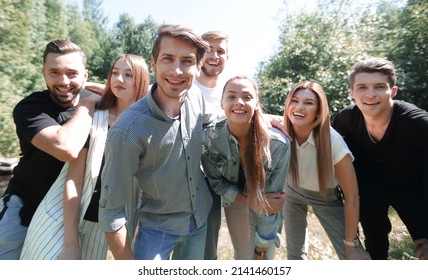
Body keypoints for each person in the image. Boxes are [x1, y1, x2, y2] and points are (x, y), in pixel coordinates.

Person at [98, 24, 220, 260]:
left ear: (198, 67)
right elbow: (111, 213)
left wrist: (269, 120)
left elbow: (219, 122)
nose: (176, 71)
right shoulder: (128, 131)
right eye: (168, 59)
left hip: (200, 219)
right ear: (153, 63)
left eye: (187, 61)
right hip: (157, 232)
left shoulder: (195, 96)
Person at [19, 54, 149, 260]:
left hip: (110, 224)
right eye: (114, 73)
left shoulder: (148, 125)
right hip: (64, 217)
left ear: (142, 79)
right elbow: (74, 179)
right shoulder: (94, 117)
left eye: (128, 74)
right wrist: (71, 244)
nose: (119, 79)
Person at [0, 39, 100, 259]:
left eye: (72, 73)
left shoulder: (100, 106)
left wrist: (100, 92)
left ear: (85, 75)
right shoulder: (30, 108)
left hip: (76, 217)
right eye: (54, 72)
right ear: (44, 73)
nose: (63, 81)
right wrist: (86, 103)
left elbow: (135, 96)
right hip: (24, 211)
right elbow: (66, 148)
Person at [331, 58, 428, 260]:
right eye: (362, 87)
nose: (370, 94)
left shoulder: (417, 123)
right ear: (352, 93)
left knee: (425, 246)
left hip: (412, 186)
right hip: (370, 189)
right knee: (375, 251)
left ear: (392, 91)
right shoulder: (345, 120)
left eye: (379, 87)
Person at [201, 76, 291, 260]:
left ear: (257, 103)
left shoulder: (278, 144)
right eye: (231, 97)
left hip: (267, 204)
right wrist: (250, 201)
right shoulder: (210, 138)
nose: (239, 102)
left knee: (262, 261)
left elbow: (273, 200)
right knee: (243, 258)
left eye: (247, 97)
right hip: (235, 199)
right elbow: (217, 183)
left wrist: (263, 248)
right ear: (222, 103)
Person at [282, 80, 371, 260]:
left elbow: (352, 197)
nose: (299, 107)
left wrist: (351, 244)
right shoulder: (281, 131)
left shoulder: (333, 142)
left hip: (325, 197)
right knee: (294, 256)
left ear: (318, 111)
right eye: (295, 100)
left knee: (351, 256)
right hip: (291, 192)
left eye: (308, 103)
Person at [194, 30, 229, 260]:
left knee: (207, 251)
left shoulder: (231, 92)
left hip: (212, 183)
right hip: (172, 179)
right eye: (208, 49)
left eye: (220, 51)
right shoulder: (182, 85)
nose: (214, 55)